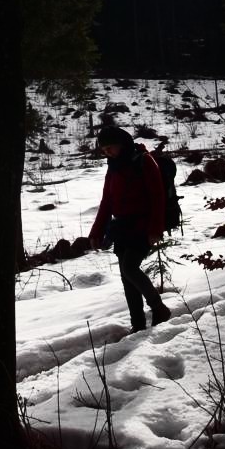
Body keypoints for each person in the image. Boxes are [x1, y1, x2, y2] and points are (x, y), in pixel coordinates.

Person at [88, 125, 171, 332]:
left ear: (122, 144)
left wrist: (155, 229)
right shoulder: (113, 167)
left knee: (130, 268)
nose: (107, 153)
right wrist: (97, 231)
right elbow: (107, 201)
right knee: (127, 279)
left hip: (142, 225)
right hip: (122, 227)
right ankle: (138, 324)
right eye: (104, 150)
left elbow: (157, 197)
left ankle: (159, 308)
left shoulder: (144, 160)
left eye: (110, 148)